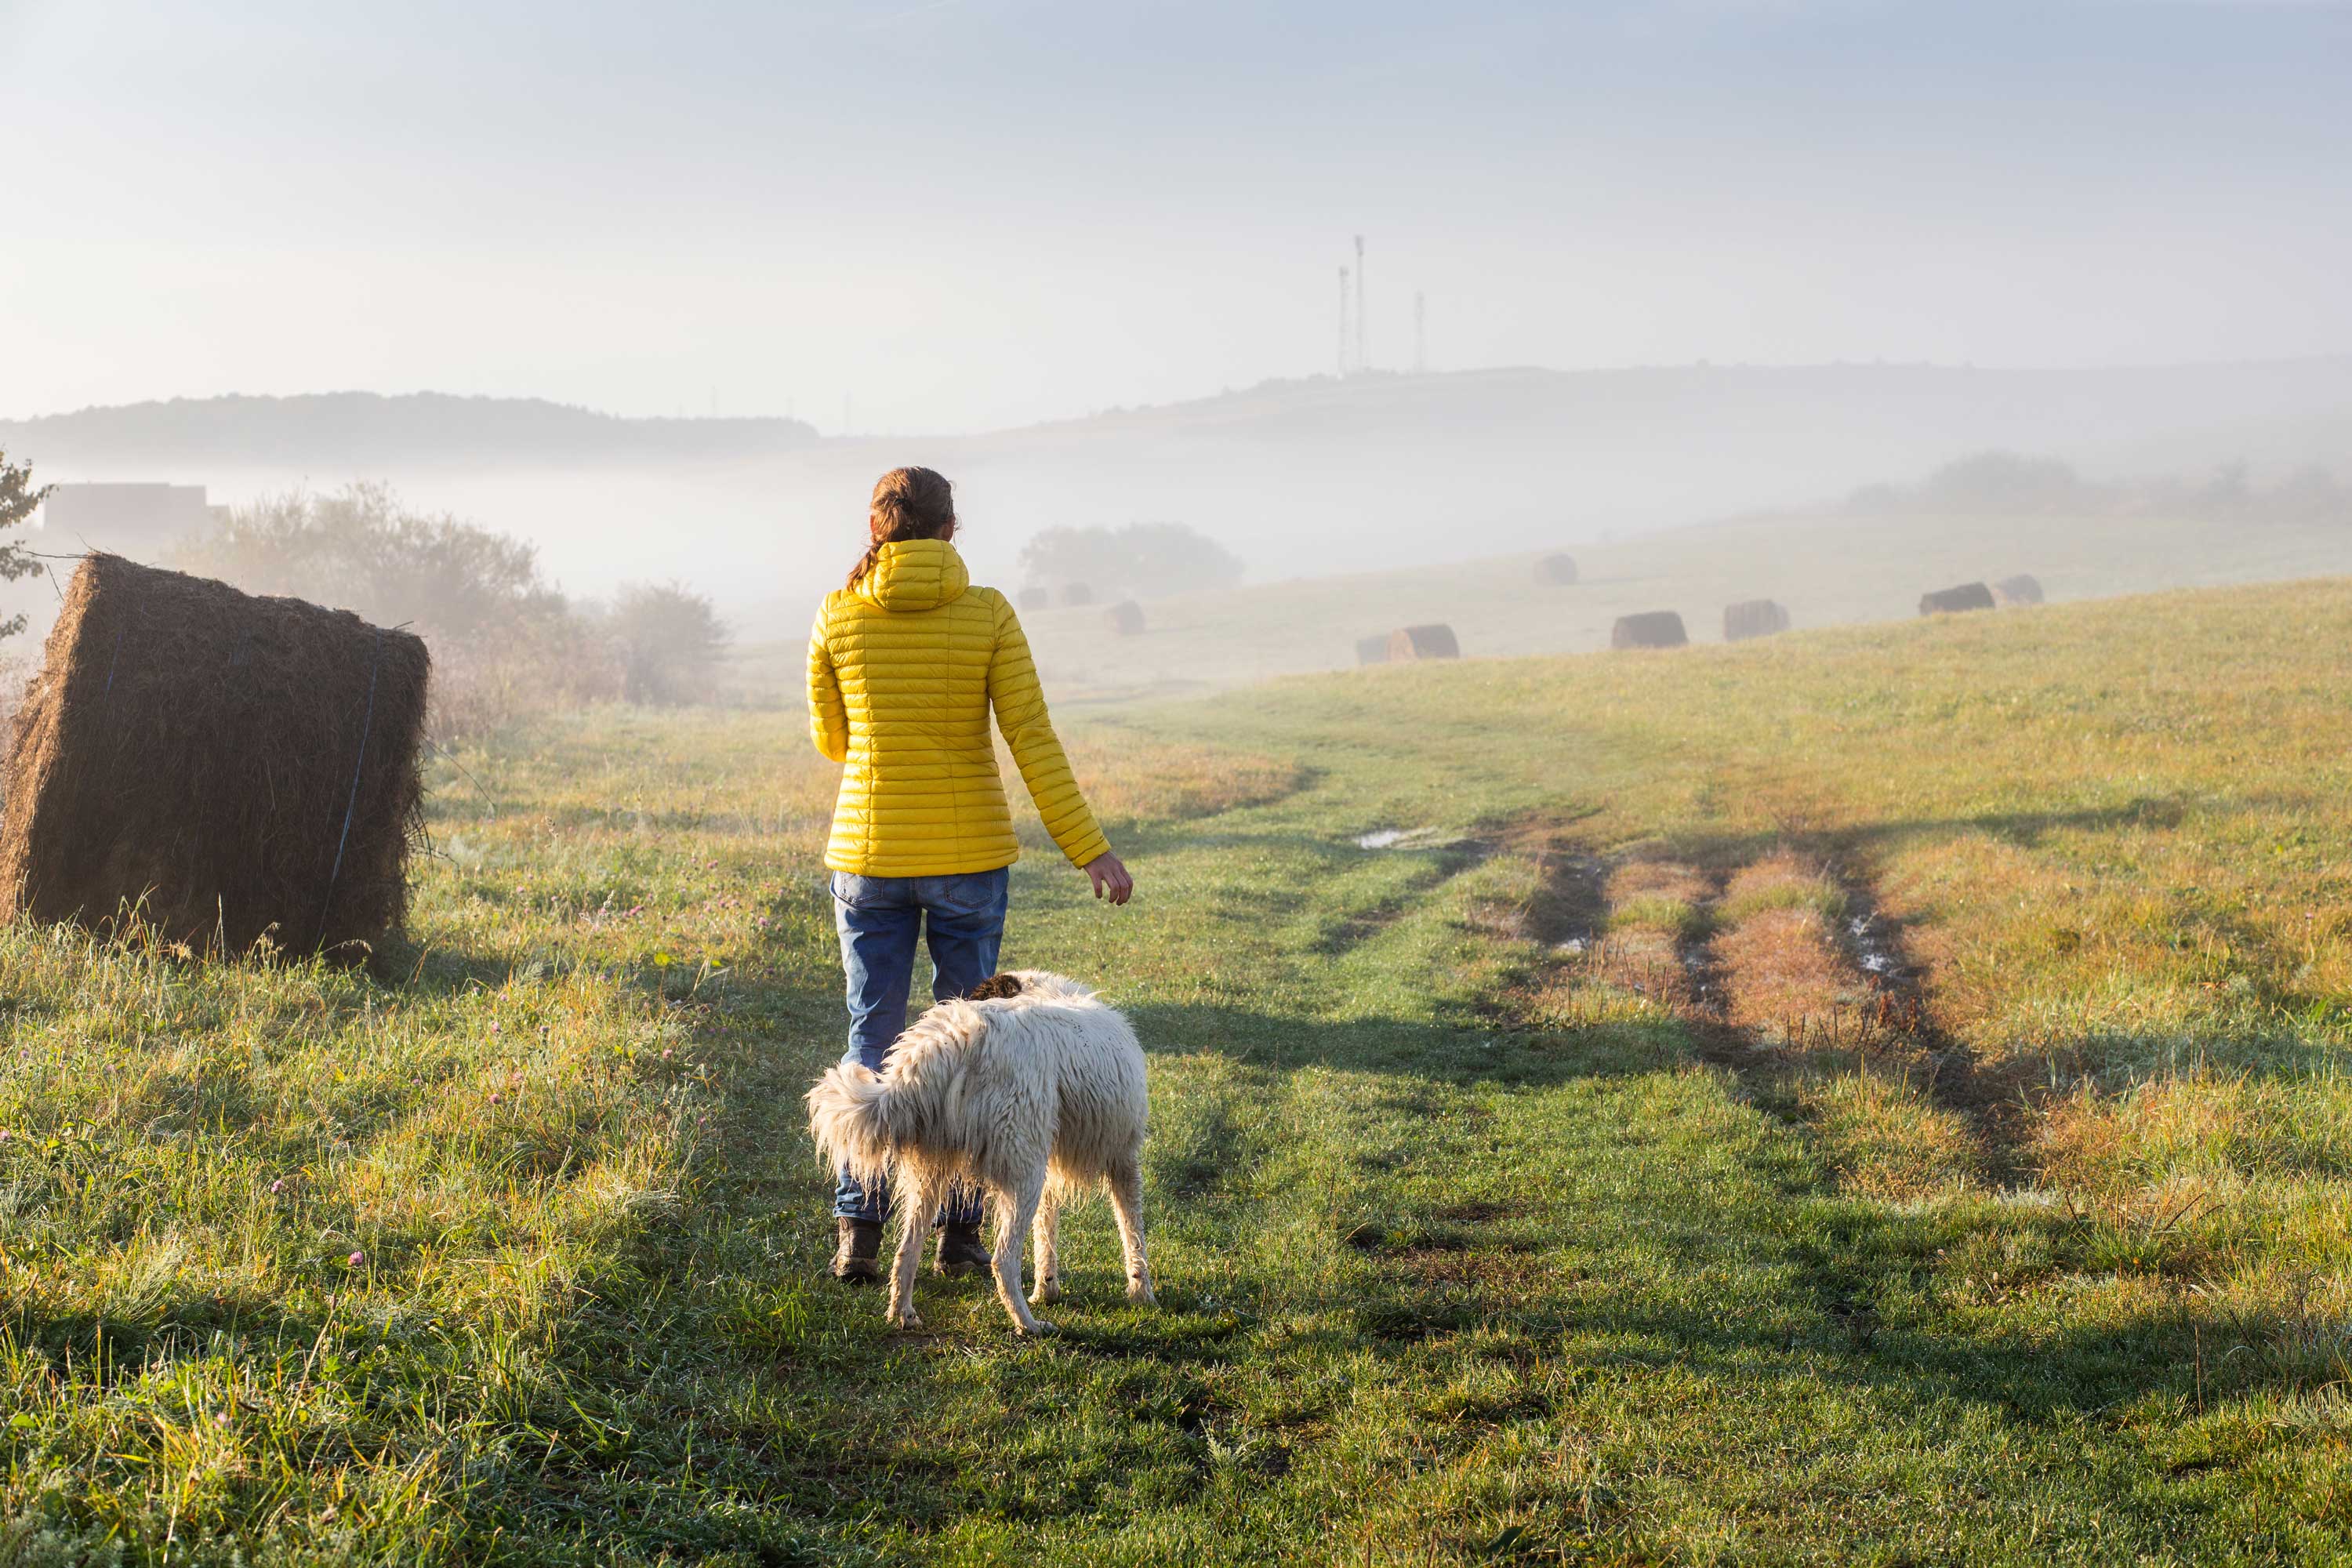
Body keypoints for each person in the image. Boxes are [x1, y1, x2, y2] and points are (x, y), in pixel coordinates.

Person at [807, 466, 1134, 1283]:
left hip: (868, 855)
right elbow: (1031, 736)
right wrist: (1088, 846)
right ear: (952, 529)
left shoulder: (838, 611)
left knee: (873, 1032)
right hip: (967, 858)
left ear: (877, 529)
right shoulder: (987, 612)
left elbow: (832, 738)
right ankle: (958, 1230)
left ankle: (859, 1226)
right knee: (975, 1045)